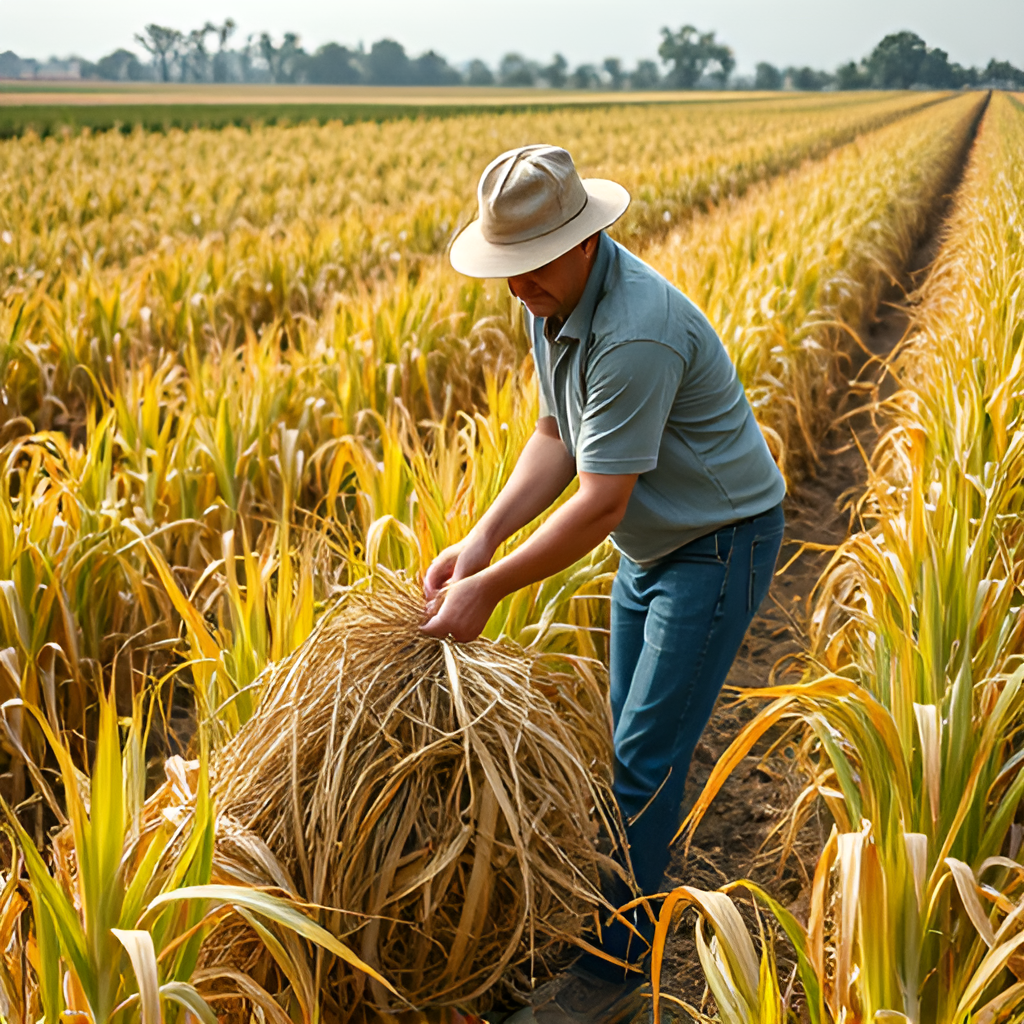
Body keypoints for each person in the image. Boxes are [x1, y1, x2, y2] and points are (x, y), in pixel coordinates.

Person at [421, 145, 786, 1024]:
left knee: (642, 765)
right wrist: (479, 542)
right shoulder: (551, 302)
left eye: (530, 266)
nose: (515, 287)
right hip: (652, 548)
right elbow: (556, 434)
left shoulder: (636, 332)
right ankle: (605, 923)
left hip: (715, 545)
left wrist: (490, 589)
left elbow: (599, 503)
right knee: (622, 752)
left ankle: (611, 976)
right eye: (504, 268)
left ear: (584, 242)